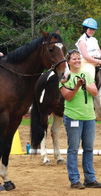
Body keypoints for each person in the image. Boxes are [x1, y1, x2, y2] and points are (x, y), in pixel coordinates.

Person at [59, 49, 101, 189]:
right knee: (73, 149)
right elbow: (68, 97)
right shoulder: (64, 78)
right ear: (68, 62)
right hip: (73, 118)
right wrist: (77, 86)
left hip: (89, 117)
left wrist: (85, 85)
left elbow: (95, 92)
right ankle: (75, 180)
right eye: (74, 59)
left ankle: (90, 179)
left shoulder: (88, 74)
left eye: (78, 58)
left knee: (88, 149)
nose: (77, 61)